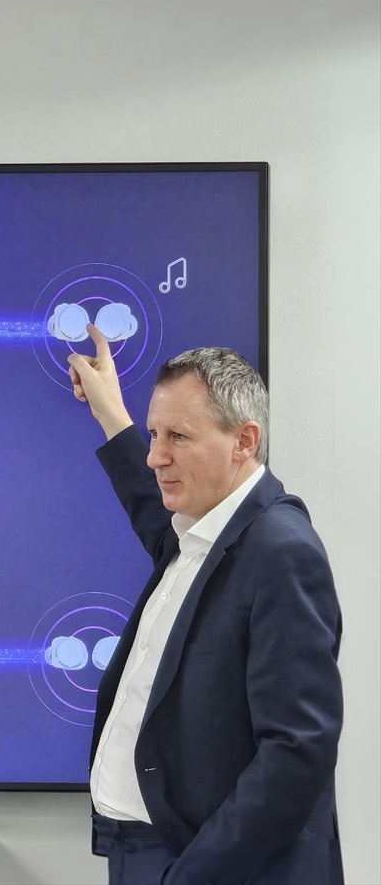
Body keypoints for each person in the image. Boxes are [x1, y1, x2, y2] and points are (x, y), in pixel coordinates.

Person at [67, 326, 343, 885]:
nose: (155, 457)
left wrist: (192, 876)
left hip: (209, 866)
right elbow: (149, 500)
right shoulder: (197, 530)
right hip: (150, 853)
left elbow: (296, 753)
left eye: (178, 437)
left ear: (244, 441)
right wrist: (111, 412)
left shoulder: (281, 553)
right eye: (153, 434)